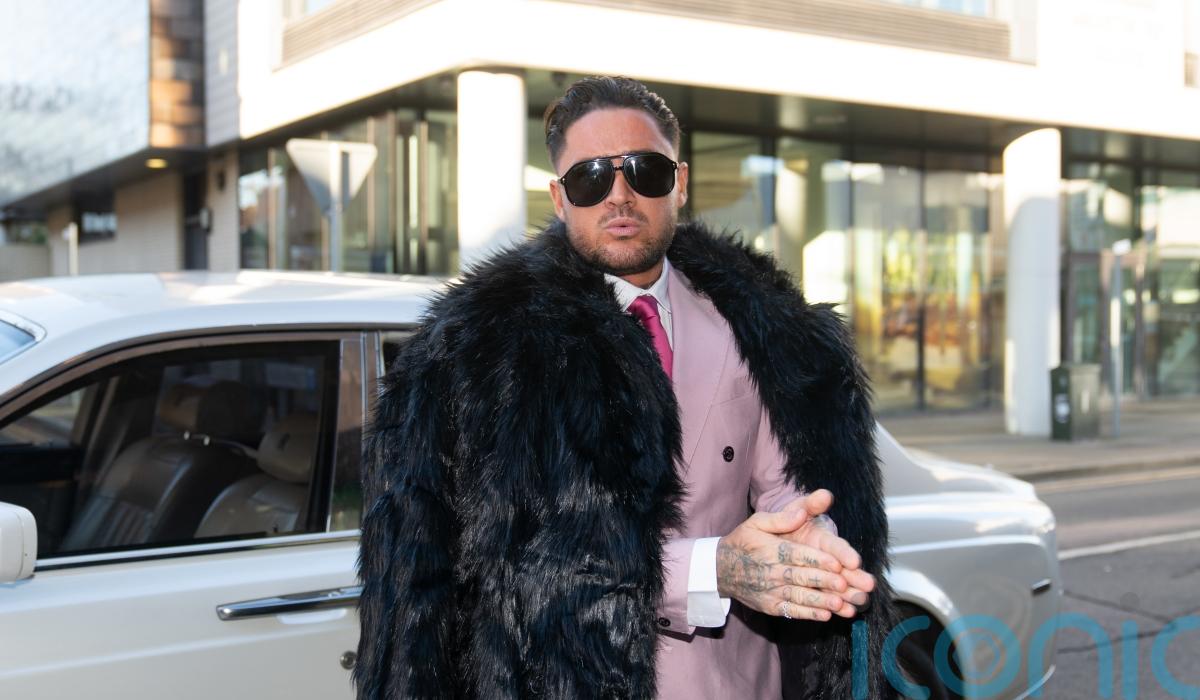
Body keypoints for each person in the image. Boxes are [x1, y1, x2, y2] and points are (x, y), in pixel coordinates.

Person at [355, 76, 897, 699]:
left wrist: (809, 537)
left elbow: (786, 483)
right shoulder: (486, 355)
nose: (619, 195)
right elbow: (504, 569)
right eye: (590, 178)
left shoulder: (752, 326)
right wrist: (713, 570)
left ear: (681, 182)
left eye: (645, 170)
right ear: (560, 199)